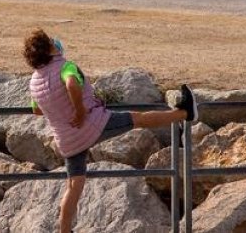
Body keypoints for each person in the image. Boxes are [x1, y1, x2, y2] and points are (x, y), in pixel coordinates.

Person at [23, 29, 197, 233]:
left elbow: (36, 110)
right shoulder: (65, 67)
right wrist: (79, 111)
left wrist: (61, 112)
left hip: (67, 139)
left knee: (73, 185)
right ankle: (185, 113)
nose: (56, 41)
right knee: (138, 119)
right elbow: (71, 83)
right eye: (52, 40)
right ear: (49, 47)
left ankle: (64, 230)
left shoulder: (34, 81)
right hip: (92, 125)